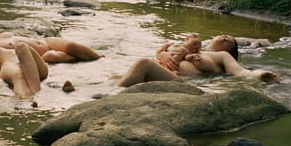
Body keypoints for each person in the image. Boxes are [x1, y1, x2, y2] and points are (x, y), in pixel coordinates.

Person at [118, 33, 279, 87]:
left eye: (228, 42)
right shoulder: (191, 47)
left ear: (229, 51)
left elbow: (240, 72)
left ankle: (113, 94)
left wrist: (260, 74)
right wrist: (162, 55)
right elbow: (163, 51)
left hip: (179, 80)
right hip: (165, 72)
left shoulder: (222, 56)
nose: (224, 38)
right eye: (223, 35)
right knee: (115, 76)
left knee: (143, 64)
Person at [0, 25, 102, 63]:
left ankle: (101, 58)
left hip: (46, 42)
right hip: (44, 55)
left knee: (72, 45)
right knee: (52, 56)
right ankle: (94, 60)